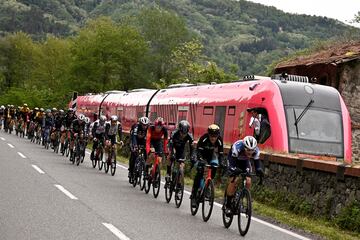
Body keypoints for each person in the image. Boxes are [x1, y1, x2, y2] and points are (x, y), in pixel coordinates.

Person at [223, 136, 263, 215]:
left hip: (244, 162)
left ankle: (241, 200)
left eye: (252, 150)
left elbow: (257, 163)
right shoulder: (237, 147)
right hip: (234, 160)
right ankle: (228, 205)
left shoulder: (256, 151)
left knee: (248, 181)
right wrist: (233, 169)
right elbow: (231, 163)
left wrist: (259, 170)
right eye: (248, 150)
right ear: (244, 147)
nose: (250, 152)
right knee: (234, 180)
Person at [190, 124, 226, 207]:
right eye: (211, 136)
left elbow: (220, 154)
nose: (213, 138)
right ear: (208, 134)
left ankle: (208, 184)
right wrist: (200, 160)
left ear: (218, 135)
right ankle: (194, 195)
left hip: (211, 155)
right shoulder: (204, 138)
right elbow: (198, 151)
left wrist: (222, 163)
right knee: (200, 173)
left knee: (215, 165)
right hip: (201, 155)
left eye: (215, 136)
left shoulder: (219, 140)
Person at [128, 116, 150, 182]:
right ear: (140, 124)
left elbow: (149, 139)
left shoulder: (148, 128)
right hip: (134, 140)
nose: (144, 126)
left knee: (146, 154)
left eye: (146, 125)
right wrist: (135, 146)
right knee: (134, 154)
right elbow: (134, 136)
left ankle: (145, 171)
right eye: (143, 125)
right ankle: (131, 171)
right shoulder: (136, 127)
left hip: (143, 141)